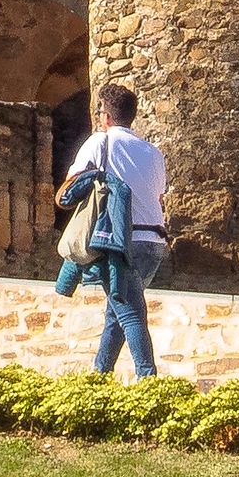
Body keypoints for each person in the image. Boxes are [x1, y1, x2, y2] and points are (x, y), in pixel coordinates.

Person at [55, 85, 168, 378]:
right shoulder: (153, 153)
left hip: (119, 242)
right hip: (154, 241)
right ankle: (99, 375)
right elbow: (158, 197)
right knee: (116, 313)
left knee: (129, 312)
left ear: (105, 115)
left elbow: (69, 188)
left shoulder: (99, 143)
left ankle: (148, 381)